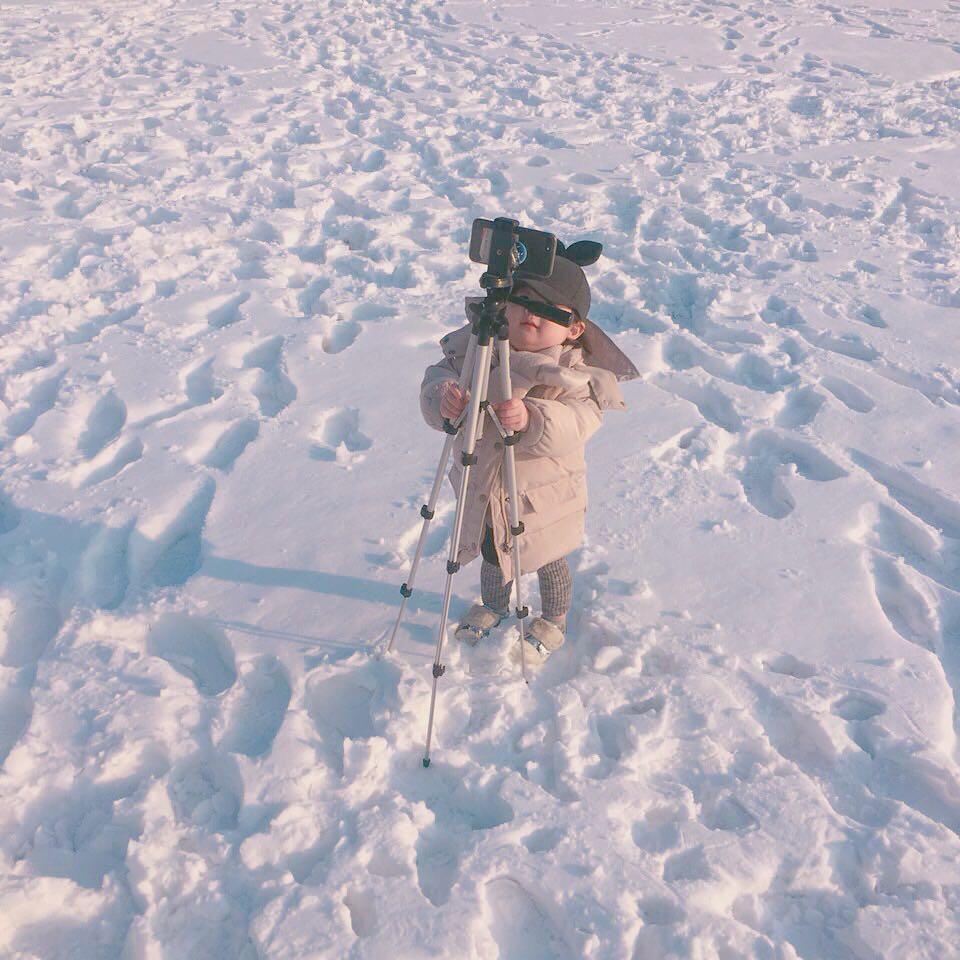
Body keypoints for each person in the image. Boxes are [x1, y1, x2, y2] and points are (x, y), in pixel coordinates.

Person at [419, 252, 639, 664]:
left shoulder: (575, 371)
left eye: (545, 310)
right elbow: (438, 375)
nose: (530, 316)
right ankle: (495, 606)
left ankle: (554, 621)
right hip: (485, 484)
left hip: (544, 499)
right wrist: (443, 397)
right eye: (522, 301)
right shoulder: (475, 348)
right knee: (491, 551)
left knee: (548, 560)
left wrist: (533, 418)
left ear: (574, 328)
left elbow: (581, 420)